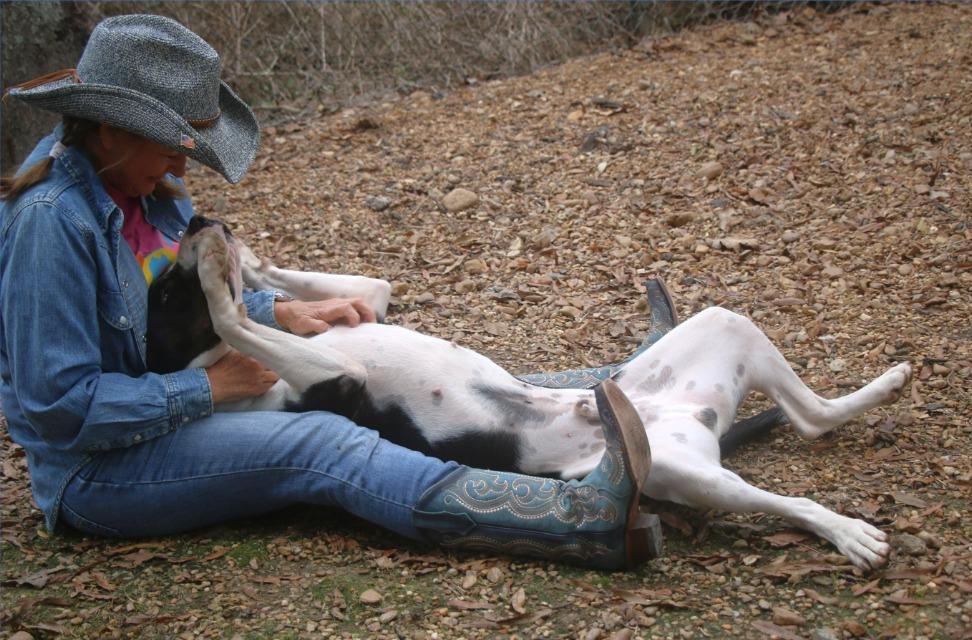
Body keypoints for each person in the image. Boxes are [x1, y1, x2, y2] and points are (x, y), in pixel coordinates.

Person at [0, 14, 661, 570]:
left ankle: (632, 379)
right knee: (320, 444)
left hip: (175, 401)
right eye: (171, 144)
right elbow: (55, 408)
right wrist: (209, 388)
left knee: (387, 368)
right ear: (109, 128)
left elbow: (172, 320)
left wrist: (276, 310)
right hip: (101, 471)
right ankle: (577, 518)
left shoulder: (147, 189)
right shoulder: (51, 224)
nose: (182, 164)